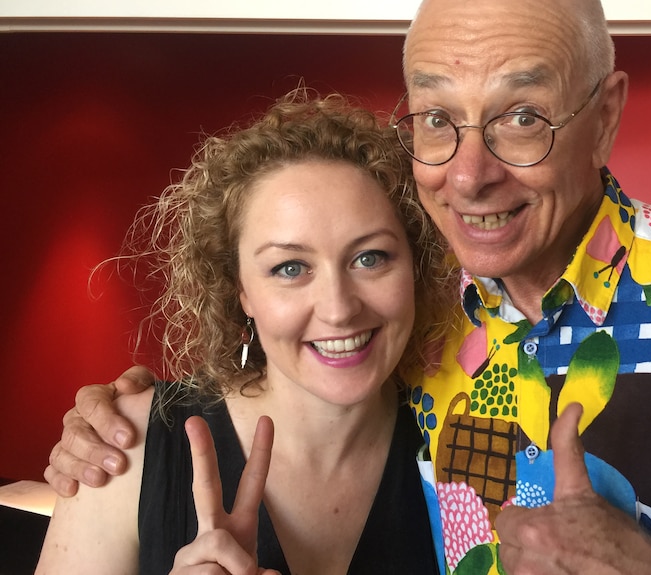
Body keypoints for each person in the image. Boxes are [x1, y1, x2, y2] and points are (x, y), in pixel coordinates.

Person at [44, 0, 651, 573]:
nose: (469, 174)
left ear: (606, 114)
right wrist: (119, 420)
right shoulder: (420, 335)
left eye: (521, 116)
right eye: (437, 119)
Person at [36, 89, 454, 574]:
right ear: (241, 292)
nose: (339, 309)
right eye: (290, 268)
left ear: (416, 267)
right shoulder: (123, 445)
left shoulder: (457, 434)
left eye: (370, 258)